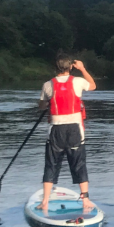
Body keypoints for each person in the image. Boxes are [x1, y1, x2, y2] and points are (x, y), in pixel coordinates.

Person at [37, 54, 96, 212]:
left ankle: (45, 202)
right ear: (71, 67)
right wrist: (82, 68)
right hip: (74, 130)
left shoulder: (47, 85)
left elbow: (42, 107)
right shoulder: (78, 82)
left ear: (55, 68)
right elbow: (93, 85)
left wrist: (48, 102)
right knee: (79, 164)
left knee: (51, 164)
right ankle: (86, 201)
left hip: (56, 130)